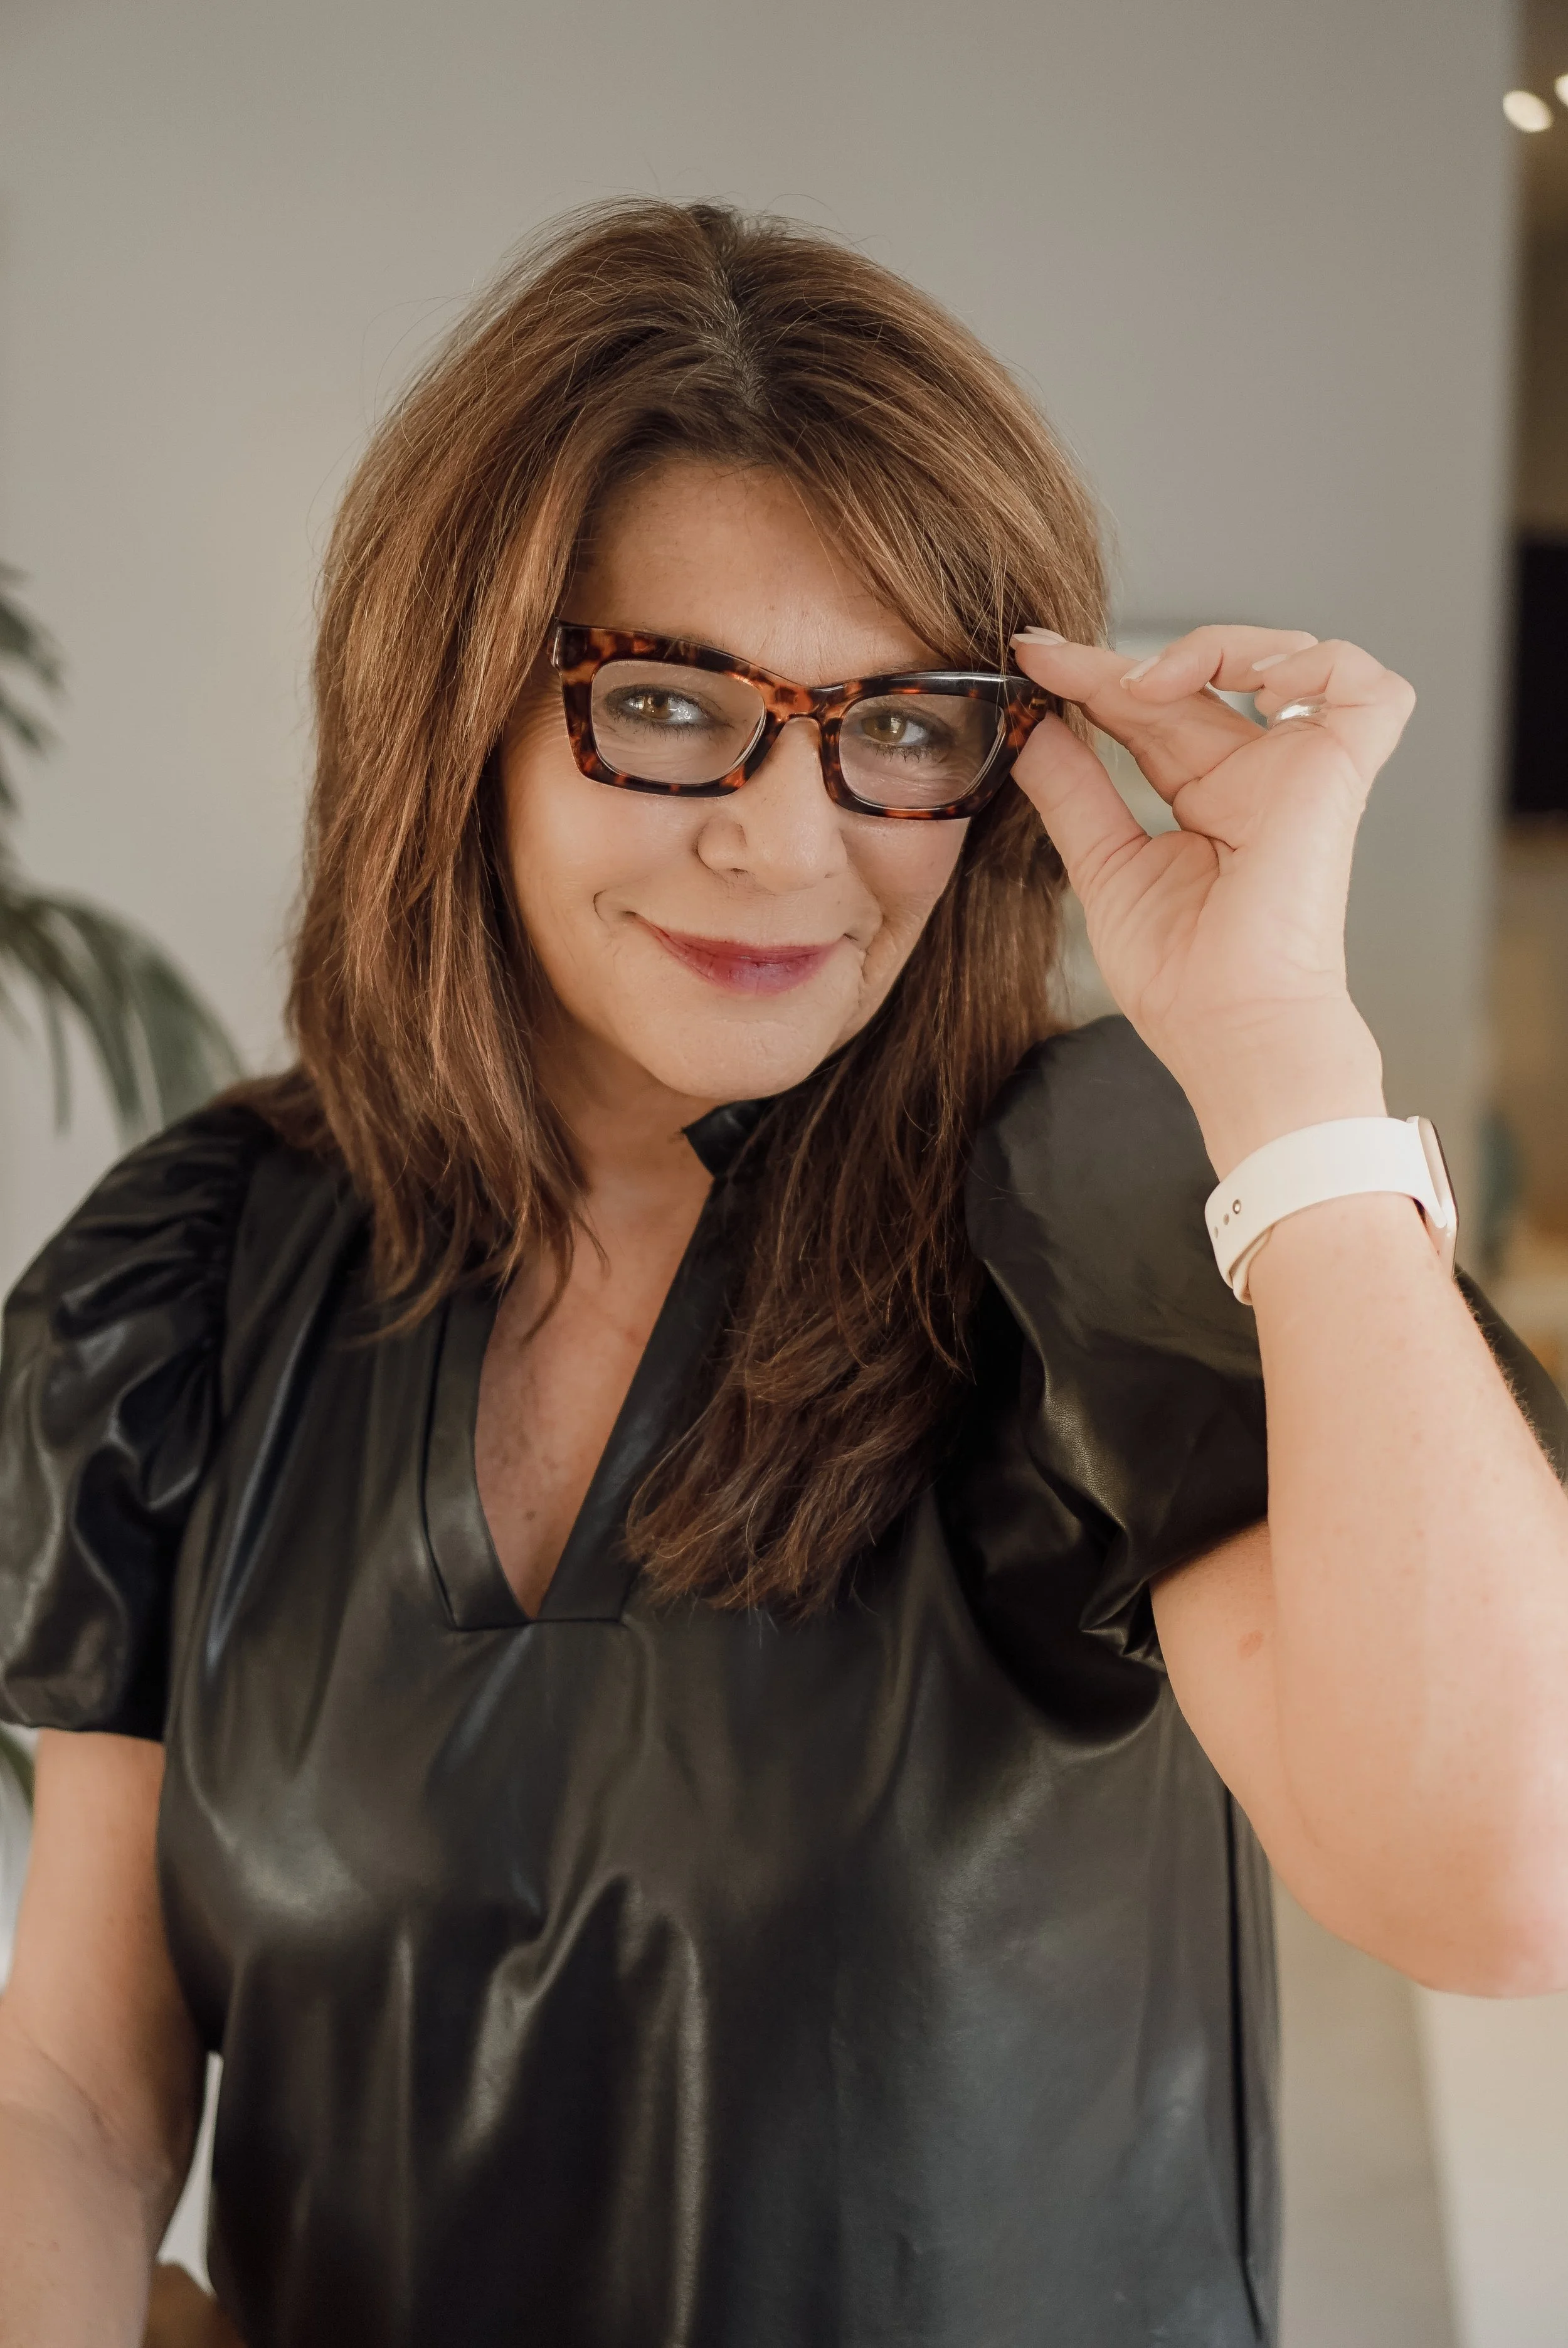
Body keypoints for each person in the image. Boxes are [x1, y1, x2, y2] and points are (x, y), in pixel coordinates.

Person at [1, 199, 1565, 2348]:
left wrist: (1281, 1045)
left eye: (900, 725)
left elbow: (1503, 1883)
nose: (784, 837)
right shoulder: (200, 1271)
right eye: (664, 702)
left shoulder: (1104, 1196)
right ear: (452, 710)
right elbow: (82, 2087)